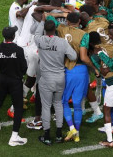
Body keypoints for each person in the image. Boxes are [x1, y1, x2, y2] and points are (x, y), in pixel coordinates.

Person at [46, 12, 97, 142]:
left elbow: (48, 17)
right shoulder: (84, 35)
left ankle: (71, 127)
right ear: (79, 21)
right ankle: (77, 134)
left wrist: (61, 12)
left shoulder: (61, 29)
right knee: (77, 104)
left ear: (67, 21)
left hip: (67, 71)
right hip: (82, 71)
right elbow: (84, 57)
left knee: (62, 101)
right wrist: (94, 67)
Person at [34, 17, 77, 145]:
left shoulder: (39, 40)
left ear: (45, 30)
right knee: (58, 103)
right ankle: (58, 134)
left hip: (46, 78)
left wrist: (41, 21)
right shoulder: (62, 42)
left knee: (46, 106)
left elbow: (36, 33)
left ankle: (47, 136)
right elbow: (73, 56)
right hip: (60, 78)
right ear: (55, 29)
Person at [0, 26, 28, 146]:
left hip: (2, 80)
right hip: (15, 81)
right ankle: (14, 136)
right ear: (14, 36)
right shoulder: (19, 50)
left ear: (4, 36)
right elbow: (24, 68)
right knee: (18, 107)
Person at [88, 31, 113, 147]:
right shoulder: (112, 45)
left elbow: (101, 70)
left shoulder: (95, 52)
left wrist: (99, 70)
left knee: (106, 109)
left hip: (112, 82)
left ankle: (109, 141)